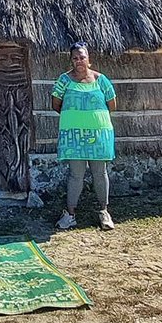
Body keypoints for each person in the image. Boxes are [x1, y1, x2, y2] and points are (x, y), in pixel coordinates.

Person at [52, 42, 116, 231]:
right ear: (71, 60)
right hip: (73, 136)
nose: (79, 61)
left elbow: (112, 104)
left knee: (100, 173)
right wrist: (75, 118)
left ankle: (104, 212)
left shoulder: (101, 80)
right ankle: (70, 215)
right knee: (75, 175)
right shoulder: (64, 80)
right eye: (75, 58)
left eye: (82, 57)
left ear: (89, 59)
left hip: (99, 134)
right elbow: (56, 104)